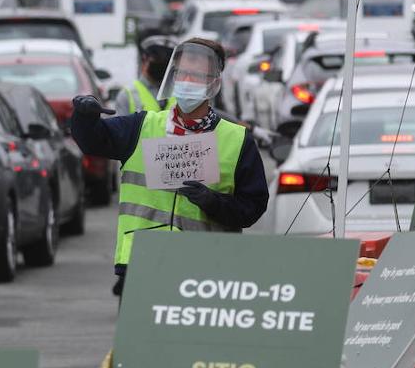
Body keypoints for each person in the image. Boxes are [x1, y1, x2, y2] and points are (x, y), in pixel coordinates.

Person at [70, 37, 269, 297]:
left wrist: (213, 203)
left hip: (207, 271)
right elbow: (93, 141)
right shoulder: (142, 126)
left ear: (214, 83)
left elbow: (252, 208)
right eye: (182, 74)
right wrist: (83, 118)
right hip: (143, 261)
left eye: (196, 76)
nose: (187, 81)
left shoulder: (237, 140)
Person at [114, 34, 178, 116]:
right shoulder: (127, 95)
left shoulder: (179, 94)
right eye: (157, 59)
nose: (162, 64)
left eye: (167, 61)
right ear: (144, 59)